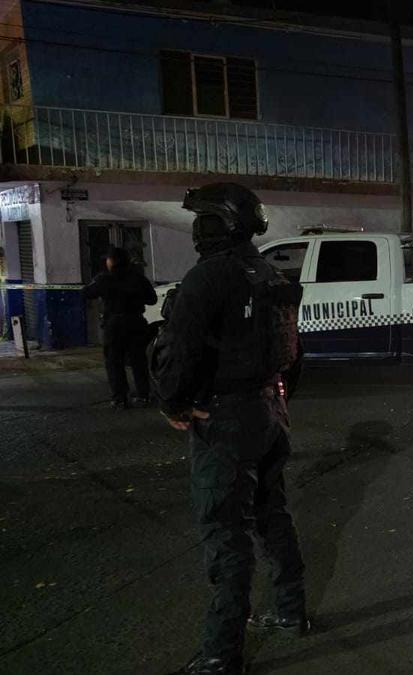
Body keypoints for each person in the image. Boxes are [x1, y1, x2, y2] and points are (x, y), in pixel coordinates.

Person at [151, 182, 306, 675]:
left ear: (220, 223)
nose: (198, 228)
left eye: (204, 218)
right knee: (270, 514)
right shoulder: (265, 271)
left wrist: (173, 403)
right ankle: (289, 610)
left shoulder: (209, 277)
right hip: (268, 409)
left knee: (225, 530)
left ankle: (221, 653)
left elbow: (179, 351)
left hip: (227, 417)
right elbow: (289, 349)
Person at [83, 246, 157, 408]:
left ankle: (120, 398)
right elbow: (152, 300)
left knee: (114, 362)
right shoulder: (138, 278)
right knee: (138, 361)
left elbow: (87, 293)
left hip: (114, 325)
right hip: (136, 323)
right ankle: (143, 395)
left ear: (111, 261)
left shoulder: (104, 279)